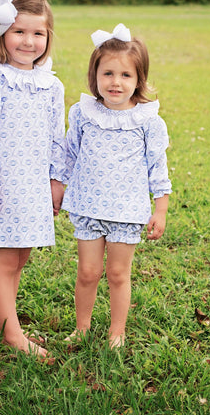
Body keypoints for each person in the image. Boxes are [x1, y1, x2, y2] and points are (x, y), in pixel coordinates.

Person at [0, 0, 65, 359]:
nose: (28, 41)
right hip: (3, 185)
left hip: (34, 186)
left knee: (21, 256)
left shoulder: (52, 85)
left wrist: (57, 182)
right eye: (19, 31)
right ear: (2, 33)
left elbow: (58, 138)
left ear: (48, 37)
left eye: (38, 33)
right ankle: (13, 336)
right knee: (4, 260)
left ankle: (1, 321)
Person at [62, 23, 172, 349]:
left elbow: (158, 167)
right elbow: (69, 155)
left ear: (139, 80)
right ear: (94, 76)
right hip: (87, 206)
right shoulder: (83, 114)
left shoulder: (148, 121)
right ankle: (82, 328)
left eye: (125, 75)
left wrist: (161, 209)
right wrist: (59, 187)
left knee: (118, 274)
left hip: (126, 211)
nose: (115, 82)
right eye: (108, 73)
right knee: (87, 272)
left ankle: (116, 332)